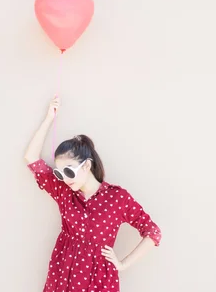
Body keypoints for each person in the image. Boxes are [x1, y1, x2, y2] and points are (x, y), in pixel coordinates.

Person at [24, 95, 162, 292]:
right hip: (63, 273)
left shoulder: (118, 198)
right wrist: (48, 119)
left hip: (98, 280)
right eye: (60, 172)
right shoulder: (64, 192)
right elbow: (31, 158)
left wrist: (122, 264)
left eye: (69, 171)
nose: (64, 178)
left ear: (87, 165)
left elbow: (153, 232)